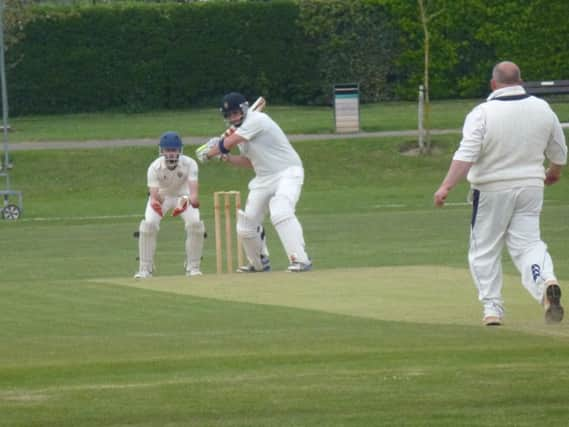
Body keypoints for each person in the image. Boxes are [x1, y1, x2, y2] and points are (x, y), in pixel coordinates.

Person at [434, 61, 567, 326]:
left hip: (491, 189)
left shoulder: (482, 113)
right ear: (521, 80)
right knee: (529, 244)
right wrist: (554, 170)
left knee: (484, 249)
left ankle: (492, 308)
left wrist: (446, 185)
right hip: (531, 187)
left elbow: (466, 154)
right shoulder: (542, 108)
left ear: (493, 84)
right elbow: (558, 148)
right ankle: (546, 284)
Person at [196, 92, 312, 272]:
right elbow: (251, 162)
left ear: (244, 109)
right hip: (264, 177)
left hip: (287, 171)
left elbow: (227, 144)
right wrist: (226, 158)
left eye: (236, 113)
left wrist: (209, 152)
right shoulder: (240, 133)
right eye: (229, 115)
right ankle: (259, 264)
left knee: (280, 210)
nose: (233, 117)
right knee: (245, 226)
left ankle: (301, 260)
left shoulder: (257, 119)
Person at [134, 131, 205, 279]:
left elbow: (193, 191)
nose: (171, 154)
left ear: (180, 150)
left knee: (195, 224)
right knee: (149, 225)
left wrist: (193, 199)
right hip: (162, 196)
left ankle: (193, 267)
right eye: (168, 150)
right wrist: (157, 203)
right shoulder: (154, 167)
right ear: (162, 150)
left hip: (183, 196)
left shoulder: (190, 163)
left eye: (174, 150)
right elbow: (154, 196)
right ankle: (145, 269)